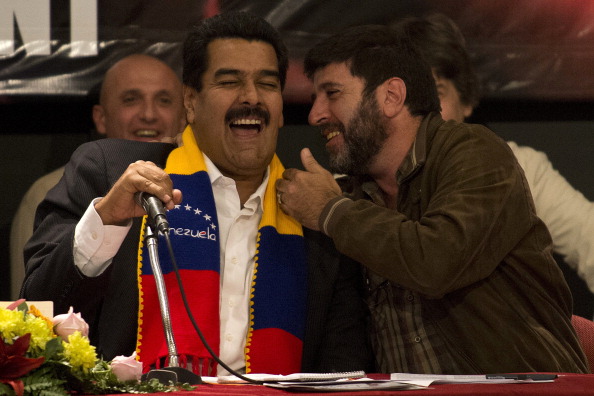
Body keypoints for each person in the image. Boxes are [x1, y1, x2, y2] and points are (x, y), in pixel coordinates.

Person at [21, 12, 371, 376]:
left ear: (281, 108)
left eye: (267, 84)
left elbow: (342, 365)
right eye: (230, 81)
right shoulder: (111, 173)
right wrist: (107, 219)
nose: (251, 97)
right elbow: (39, 304)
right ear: (190, 102)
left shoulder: (316, 212)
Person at [275, 24, 588, 374]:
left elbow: (437, 261)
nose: (315, 113)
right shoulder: (350, 193)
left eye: (331, 93)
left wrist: (330, 211)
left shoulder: (476, 152)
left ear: (391, 96)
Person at [391, 13, 594, 296]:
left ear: (467, 100)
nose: (426, 112)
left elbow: (589, 238)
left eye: (436, 93)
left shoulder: (518, 166)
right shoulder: (360, 185)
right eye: (408, 97)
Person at [9, 54, 186, 300]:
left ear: (183, 117)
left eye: (164, 100)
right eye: (131, 99)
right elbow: (29, 308)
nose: (149, 114)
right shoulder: (48, 190)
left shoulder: (200, 184)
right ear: (100, 117)